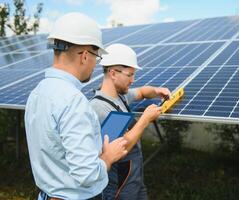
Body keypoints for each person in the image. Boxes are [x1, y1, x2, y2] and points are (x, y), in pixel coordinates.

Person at [24, 13, 128, 200]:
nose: (95, 65)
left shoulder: (37, 93)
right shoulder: (73, 101)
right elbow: (86, 174)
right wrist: (108, 157)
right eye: (96, 57)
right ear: (85, 56)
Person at [90, 43, 171, 200]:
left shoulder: (120, 96)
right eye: (130, 75)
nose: (133, 80)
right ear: (113, 73)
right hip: (119, 185)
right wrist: (145, 119)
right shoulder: (101, 107)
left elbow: (141, 92)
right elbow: (121, 147)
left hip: (134, 178)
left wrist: (156, 90)